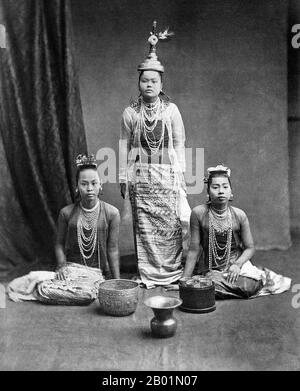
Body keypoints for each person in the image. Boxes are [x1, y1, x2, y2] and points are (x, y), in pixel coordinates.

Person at [119, 21, 191, 288]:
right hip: (141, 177)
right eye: (144, 80)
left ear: (161, 83)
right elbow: (124, 148)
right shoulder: (130, 113)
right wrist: (124, 178)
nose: (148, 84)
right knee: (143, 227)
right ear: (138, 82)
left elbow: (180, 144)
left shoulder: (171, 111)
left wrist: (182, 175)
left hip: (167, 175)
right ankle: (147, 272)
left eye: (154, 80)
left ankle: (172, 271)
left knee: (171, 225)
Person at [183, 165, 291, 299]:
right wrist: (184, 280)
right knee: (208, 283)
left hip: (236, 267)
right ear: (208, 192)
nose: (221, 191)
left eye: (225, 187)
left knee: (250, 286)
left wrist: (237, 265)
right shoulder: (198, 213)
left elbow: (250, 248)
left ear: (231, 192)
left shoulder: (239, 215)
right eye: (215, 187)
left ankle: (212, 286)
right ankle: (211, 283)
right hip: (211, 268)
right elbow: (194, 250)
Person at [33, 154, 121, 304]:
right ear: (76, 187)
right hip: (71, 271)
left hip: (98, 273)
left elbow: (112, 249)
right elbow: (59, 244)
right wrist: (61, 267)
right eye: (84, 184)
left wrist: (118, 282)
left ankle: (87, 291)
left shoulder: (112, 213)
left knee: (88, 294)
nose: (90, 188)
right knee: (44, 290)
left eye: (94, 183)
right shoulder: (66, 212)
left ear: (101, 185)